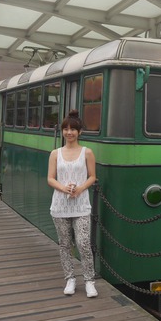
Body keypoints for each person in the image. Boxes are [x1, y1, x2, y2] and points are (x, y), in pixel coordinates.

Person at [47, 109, 98, 298]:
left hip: (81, 205)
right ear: (62, 131)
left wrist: (80, 188)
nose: (69, 132)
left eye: (73, 129)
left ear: (80, 132)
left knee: (84, 243)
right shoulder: (55, 153)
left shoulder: (87, 152)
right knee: (65, 244)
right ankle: (70, 278)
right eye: (66, 129)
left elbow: (92, 176)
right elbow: (50, 178)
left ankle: (89, 281)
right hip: (60, 205)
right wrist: (64, 188)